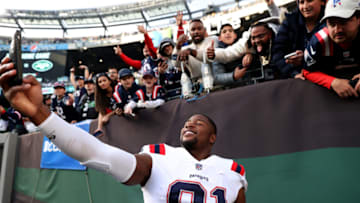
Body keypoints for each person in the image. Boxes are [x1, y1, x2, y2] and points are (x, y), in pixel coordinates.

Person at [0, 59, 248, 201]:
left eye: (199, 122)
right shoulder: (160, 158)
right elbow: (96, 153)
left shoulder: (232, 171)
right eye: (186, 122)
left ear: (213, 136)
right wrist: (40, 113)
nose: (189, 124)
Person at [303, 0, 360, 99]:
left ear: (358, 19)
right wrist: (332, 82)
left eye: (343, 22)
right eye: (331, 24)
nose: (337, 30)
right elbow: (307, 71)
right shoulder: (319, 41)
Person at [271, 0, 326, 79]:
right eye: (301, 2)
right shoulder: (289, 22)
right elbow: (277, 54)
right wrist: (294, 73)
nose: (305, 6)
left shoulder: (332, 20)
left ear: (323, 2)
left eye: (310, 1)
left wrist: (306, 58)